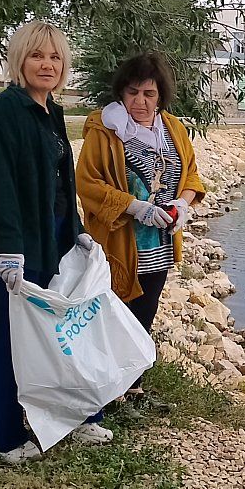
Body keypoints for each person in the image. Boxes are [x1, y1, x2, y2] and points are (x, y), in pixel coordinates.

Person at [0, 20, 112, 463]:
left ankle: (76, 416)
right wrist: (10, 250)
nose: (47, 64)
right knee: (9, 341)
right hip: (13, 250)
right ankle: (5, 437)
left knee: (61, 334)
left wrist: (78, 230)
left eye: (55, 57)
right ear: (19, 61)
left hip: (53, 241)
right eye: (36, 56)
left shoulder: (53, 111)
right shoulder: (4, 111)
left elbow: (61, 181)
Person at [75, 52, 206, 375]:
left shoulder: (173, 129)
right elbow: (87, 182)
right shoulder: (104, 131)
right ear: (121, 92)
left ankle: (132, 383)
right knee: (113, 316)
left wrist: (183, 204)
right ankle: (105, 385)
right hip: (119, 245)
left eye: (149, 94)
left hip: (159, 247)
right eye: (133, 92)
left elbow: (190, 174)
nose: (140, 101)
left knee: (144, 314)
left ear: (160, 96)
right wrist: (133, 206)